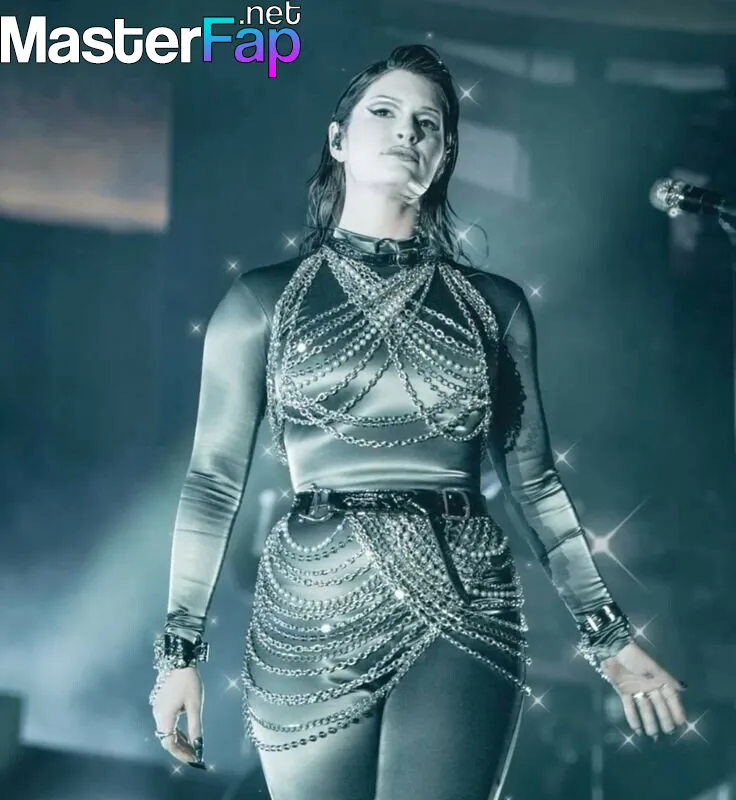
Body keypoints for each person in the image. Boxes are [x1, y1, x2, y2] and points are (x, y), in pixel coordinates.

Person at [149, 44, 687, 800]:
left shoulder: (494, 306)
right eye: (385, 112)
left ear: (444, 156)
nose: (407, 130)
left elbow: (534, 483)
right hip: (309, 606)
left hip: (466, 604)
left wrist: (610, 638)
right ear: (338, 140)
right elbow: (212, 481)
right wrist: (179, 653)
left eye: (428, 123)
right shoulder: (261, 301)